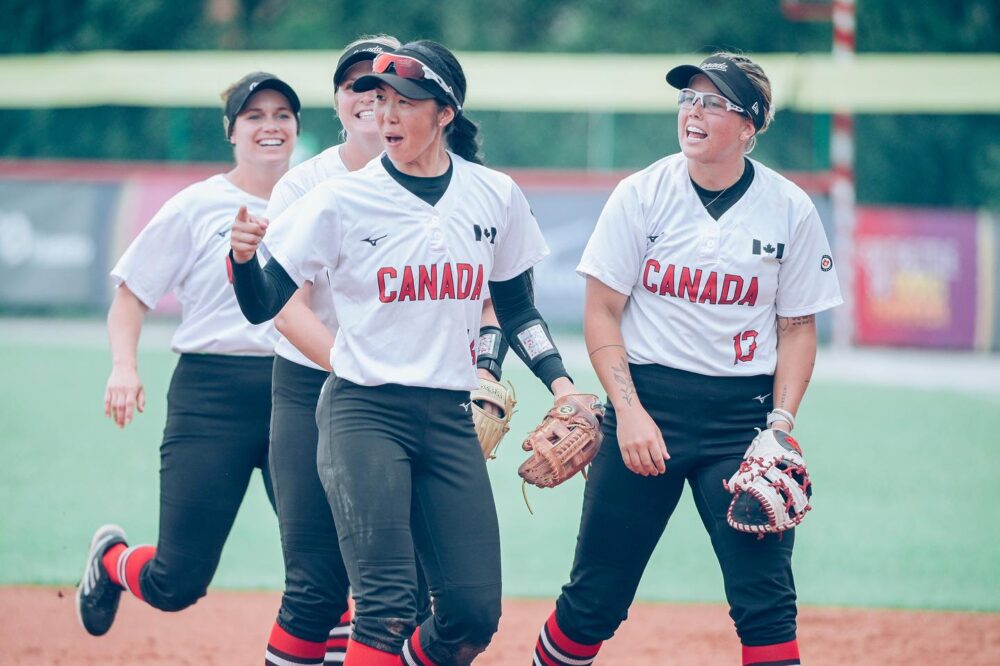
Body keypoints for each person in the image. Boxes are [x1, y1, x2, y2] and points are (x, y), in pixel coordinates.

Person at [228, 39, 584, 666]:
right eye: (380, 100)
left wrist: (561, 386)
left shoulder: (493, 194)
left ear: (445, 112)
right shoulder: (341, 199)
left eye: (405, 103)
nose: (386, 115)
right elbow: (264, 305)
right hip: (363, 412)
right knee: (387, 604)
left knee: (472, 614)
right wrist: (241, 257)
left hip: (448, 416)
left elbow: (517, 308)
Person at [532, 52, 843, 666]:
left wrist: (780, 427)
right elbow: (601, 311)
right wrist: (629, 410)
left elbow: (798, 327)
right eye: (688, 99)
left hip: (741, 421)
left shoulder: (788, 208)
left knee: (766, 603)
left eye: (713, 102)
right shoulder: (643, 193)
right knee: (595, 599)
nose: (693, 111)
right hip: (645, 411)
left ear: (750, 126)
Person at [76, 72, 301, 638]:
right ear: (232, 132)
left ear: (298, 127)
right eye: (254, 116)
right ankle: (110, 560)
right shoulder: (197, 205)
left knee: (327, 565)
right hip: (212, 396)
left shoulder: (320, 201)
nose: (269, 126)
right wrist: (124, 366)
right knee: (176, 584)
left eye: (282, 115)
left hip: (299, 393)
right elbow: (130, 298)